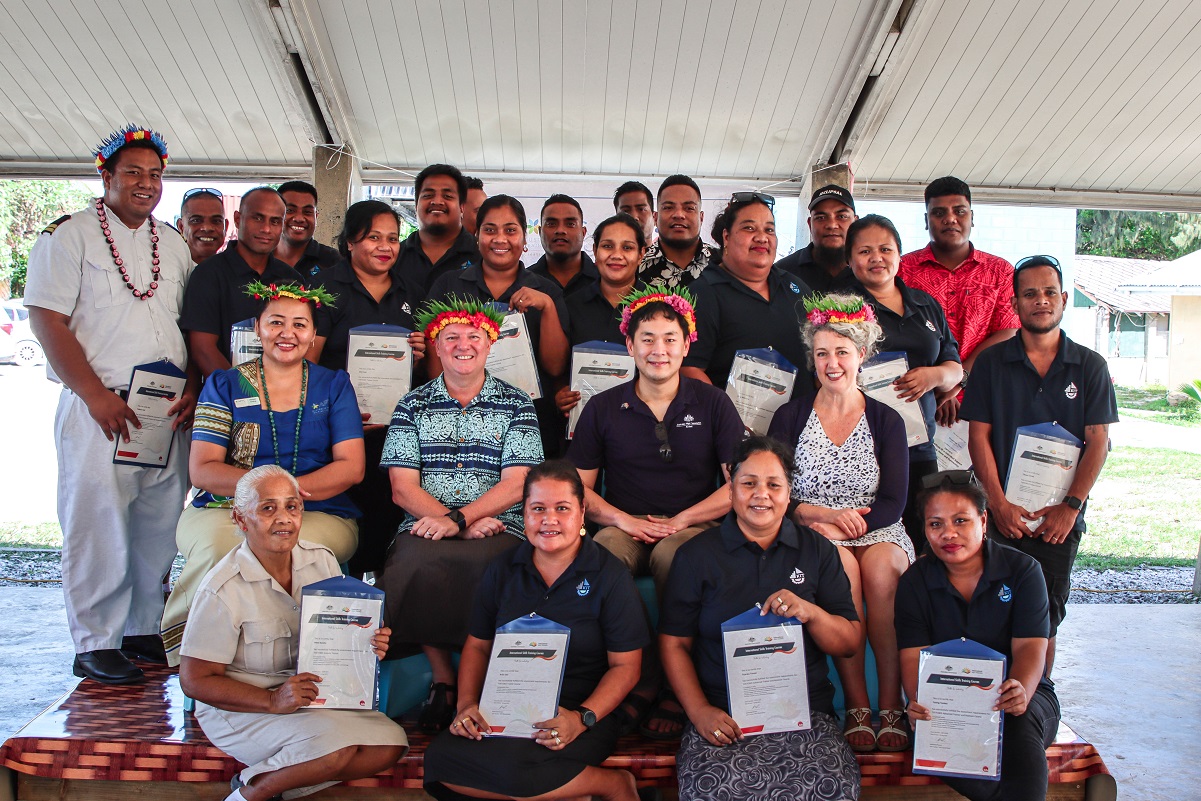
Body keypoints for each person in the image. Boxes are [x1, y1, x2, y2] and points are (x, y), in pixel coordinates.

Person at [25, 125, 196, 684]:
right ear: (106, 176)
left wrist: (193, 384)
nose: (146, 184)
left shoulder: (170, 242)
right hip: (103, 405)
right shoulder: (67, 236)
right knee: (99, 522)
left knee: (158, 519)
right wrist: (94, 395)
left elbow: (184, 324)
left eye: (155, 174)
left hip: (164, 406)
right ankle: (96, 639)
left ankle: (143, 627)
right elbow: (47, 320)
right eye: (133, 173)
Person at [161, 284, 364, 665]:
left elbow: (351, 467)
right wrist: (266, 498)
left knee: (305, 551)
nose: (288, 334)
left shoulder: (334, 385)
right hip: (226, 508)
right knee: (220, 548)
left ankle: (308, 661)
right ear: (257, 327)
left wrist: (285, 499)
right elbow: (203, 469)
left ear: (313, 333)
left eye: (300, 324)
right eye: (276, 322)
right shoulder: (222, 384)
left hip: (317, 510)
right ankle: (202, 664)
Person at [423, 460, 648, 801]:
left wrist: (581, 718)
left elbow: (626, 667)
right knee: (440, 761)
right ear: (524, 513)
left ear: (582, 512)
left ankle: (612, 784)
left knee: (519, 772)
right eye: (538, 509)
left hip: (580, 711)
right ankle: (563, 791)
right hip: (506, 707)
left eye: (562, 508)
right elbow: (478, 646)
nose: (549, 520)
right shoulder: (503, 568)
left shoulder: (609, 575)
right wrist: (467, 705)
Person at [180, 465, 408, 801]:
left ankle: (279, 784)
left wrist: (366, 642)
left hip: (309, 698)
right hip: (244, 708)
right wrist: (273, 700)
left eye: (292, 506)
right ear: (241, 521)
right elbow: (195, 680)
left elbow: (338, 637)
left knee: (389, 746)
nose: (284, 518)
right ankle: (251, 792)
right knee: (333, 752)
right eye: (267, 508)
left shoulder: (321, 561)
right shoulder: (223, 588)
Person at [659, 436, 862, 801]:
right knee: (717, 790)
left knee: (831, 789)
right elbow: (674, 644)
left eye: (773, 484)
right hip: (725, 718)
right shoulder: (696, 556)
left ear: (788, 493)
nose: (760, 494)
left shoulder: (817, 551)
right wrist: (701, 712)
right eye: (748, 483)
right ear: (731, 488)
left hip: (805, 716)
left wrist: (811, 612)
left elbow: (848, 644)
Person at [379, 298, 544, 733]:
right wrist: (453, 523)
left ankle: (490, 680)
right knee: (414, 562)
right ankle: (443, 679)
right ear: (436, 346)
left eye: (474, 337)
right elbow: (402, 487)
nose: (463, 345)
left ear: (491, 345)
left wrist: (463, 519)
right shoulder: (411, 405)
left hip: (498, 523)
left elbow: (518, 483)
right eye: (451, 337)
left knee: (499, 565)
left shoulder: (517, 404)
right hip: (424, 523)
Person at [767, 293, 913, 753]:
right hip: (814, 530)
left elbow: (894, 501)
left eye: (842, 352)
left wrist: (851, 527)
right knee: (840, 572)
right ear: (812, 358)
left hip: (878, 527)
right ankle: (856, 705)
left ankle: (891, 705)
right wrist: (818, 517)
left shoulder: (886, 419)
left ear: (862, 356)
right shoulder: (790, 416)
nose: (833, 363)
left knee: (881, 570)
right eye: (823, 353)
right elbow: (773, 492)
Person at [960, 255, 1118, 675]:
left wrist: (1071, 506)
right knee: (993, 612)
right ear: (1015, 303)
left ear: (1064, 300)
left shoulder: (1089, 366)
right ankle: (984, 710)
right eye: (1030, 293)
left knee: (1044, 620)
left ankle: (1036, 706)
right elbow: (979, 437)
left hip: (1058, 520)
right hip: (1003, 515)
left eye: (1049, 292)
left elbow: (1098, 441)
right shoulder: (992, 364)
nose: (1041, 301)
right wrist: (997, 504)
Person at [895, 473, 1060, 801]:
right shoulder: (915, 581)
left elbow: (1030, 647)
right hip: (946, 703)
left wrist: (1021, 691)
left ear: (983, 521)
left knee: (1017, 722)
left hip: (1022, 695)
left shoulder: (1023, 571)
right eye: (935, 524)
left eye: (961, 521)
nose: (948, 534)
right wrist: (920, 703)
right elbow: (913, 658)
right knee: (936, 734)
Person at [568, 286, 743, 596]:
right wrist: (624, 522)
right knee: (601, 553)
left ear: (687, 345)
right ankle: (620, 643)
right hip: (623, 526)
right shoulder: (601, 407)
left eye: (670, 339)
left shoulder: (714, 403)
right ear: (630, 346)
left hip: (693, 526)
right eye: (647, 339)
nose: (658, 350)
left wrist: (681, 520)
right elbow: (577, 489)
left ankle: (675, 644)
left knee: (672, 555)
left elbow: (740, 485)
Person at [310, 200, 428, 576]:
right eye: (373, 237)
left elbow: (420, 366)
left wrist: (421, 353)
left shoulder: (410, 291)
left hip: (395, 430)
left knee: (386, 514)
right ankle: (338, 591)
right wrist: (338, 415)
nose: (385, 246)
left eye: (393, 238)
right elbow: (307, 364)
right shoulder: (325, 288)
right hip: (338, 428)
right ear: (349, 242)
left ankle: (381, 599)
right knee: (343, 515)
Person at [847, 214, 962, 550]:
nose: (876, 258)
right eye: (865, 251)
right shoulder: (841, 309)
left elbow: (955, 367)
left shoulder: (926, 305)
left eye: (885, 249)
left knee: (924, 536)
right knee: (873, 537)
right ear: (850, 259)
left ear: (899, 254)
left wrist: (935, 376)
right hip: (863, 445)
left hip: (919, 444)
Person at [427, 194, 570, 457]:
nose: (500, 239)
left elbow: (555, 367)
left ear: (525, 239)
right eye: (490, 230)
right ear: (476, 235)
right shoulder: (449, 286)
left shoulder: (547, 290)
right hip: (460, 425)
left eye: (511, 230)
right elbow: (434, 360)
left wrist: (547, 307)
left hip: (530, 424)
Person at [899, 177, 1019, 425]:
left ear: (972, 217)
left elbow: (1008, 331)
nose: (950, 219)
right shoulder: (902, 270)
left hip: (984, 397)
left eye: (959, 211)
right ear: (926, 220)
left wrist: (957, 379)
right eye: (939, 212)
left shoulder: (1000, 271)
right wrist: (936, 381)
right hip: (915, 397)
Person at [683, 192, 810, 389]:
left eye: (769, 230)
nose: (761, 237)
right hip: (730, 418)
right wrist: (726, 417)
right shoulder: (702, 293)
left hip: (802, 418)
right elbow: (690, 368)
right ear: (726, 236)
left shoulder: (795, 287)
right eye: (749, 228)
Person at [180, 187, 304, 376]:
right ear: (238, 219)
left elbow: (301, 342)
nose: (266, 229)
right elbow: (203, 349)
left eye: (275, 221)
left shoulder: (292, 280)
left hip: (282, 395)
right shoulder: (208, 274)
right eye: (258, 218)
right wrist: (242, 393)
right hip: (228, 396)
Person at [553, 213, 647, 421]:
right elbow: (557, 367)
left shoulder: (657, 307)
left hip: (641, 424)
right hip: (583, 425)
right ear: (595, 251)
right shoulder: (570, 304)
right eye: (607, 246)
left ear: (641, 254)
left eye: (627, 248)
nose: (616, 255)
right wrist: (560, 393)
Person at [396, 163, 481, 294]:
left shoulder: (482, 256)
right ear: (416, 203)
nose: (437, 201)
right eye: (428, 195)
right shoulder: (395, 257)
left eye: (447, 196)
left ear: (462, 207)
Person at [637, 175, 720, 289]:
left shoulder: (722, 263)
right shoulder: (636, 266)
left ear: (701, 218)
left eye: (689, 208)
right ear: (655, 218)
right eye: (668, 207)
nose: (679, 215)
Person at [775, 184, 858, 293]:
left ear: (856, 222)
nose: (832, 225)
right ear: (810, 224)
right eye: (821, 218)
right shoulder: (782, 272)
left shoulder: (871, 270)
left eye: (841, 216)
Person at [528, 194, 598, 296]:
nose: (560, 230)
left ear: (583, 233)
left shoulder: (604, 280)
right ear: (540, 232)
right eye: (551, 224)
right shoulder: (524, 282)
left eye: (570, 224)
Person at [274, 180, 342, 278]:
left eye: (307, 212)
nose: (299, 219)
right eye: (290, 210)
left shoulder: (333, 261)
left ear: (316, 216)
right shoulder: (259, 258)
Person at [177, 187, 229, 265]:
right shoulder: (165, 269)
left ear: (226, 227)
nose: (207, 228)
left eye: (216, 221)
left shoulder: (238, 272)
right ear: (181, 226)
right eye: (196, 220)